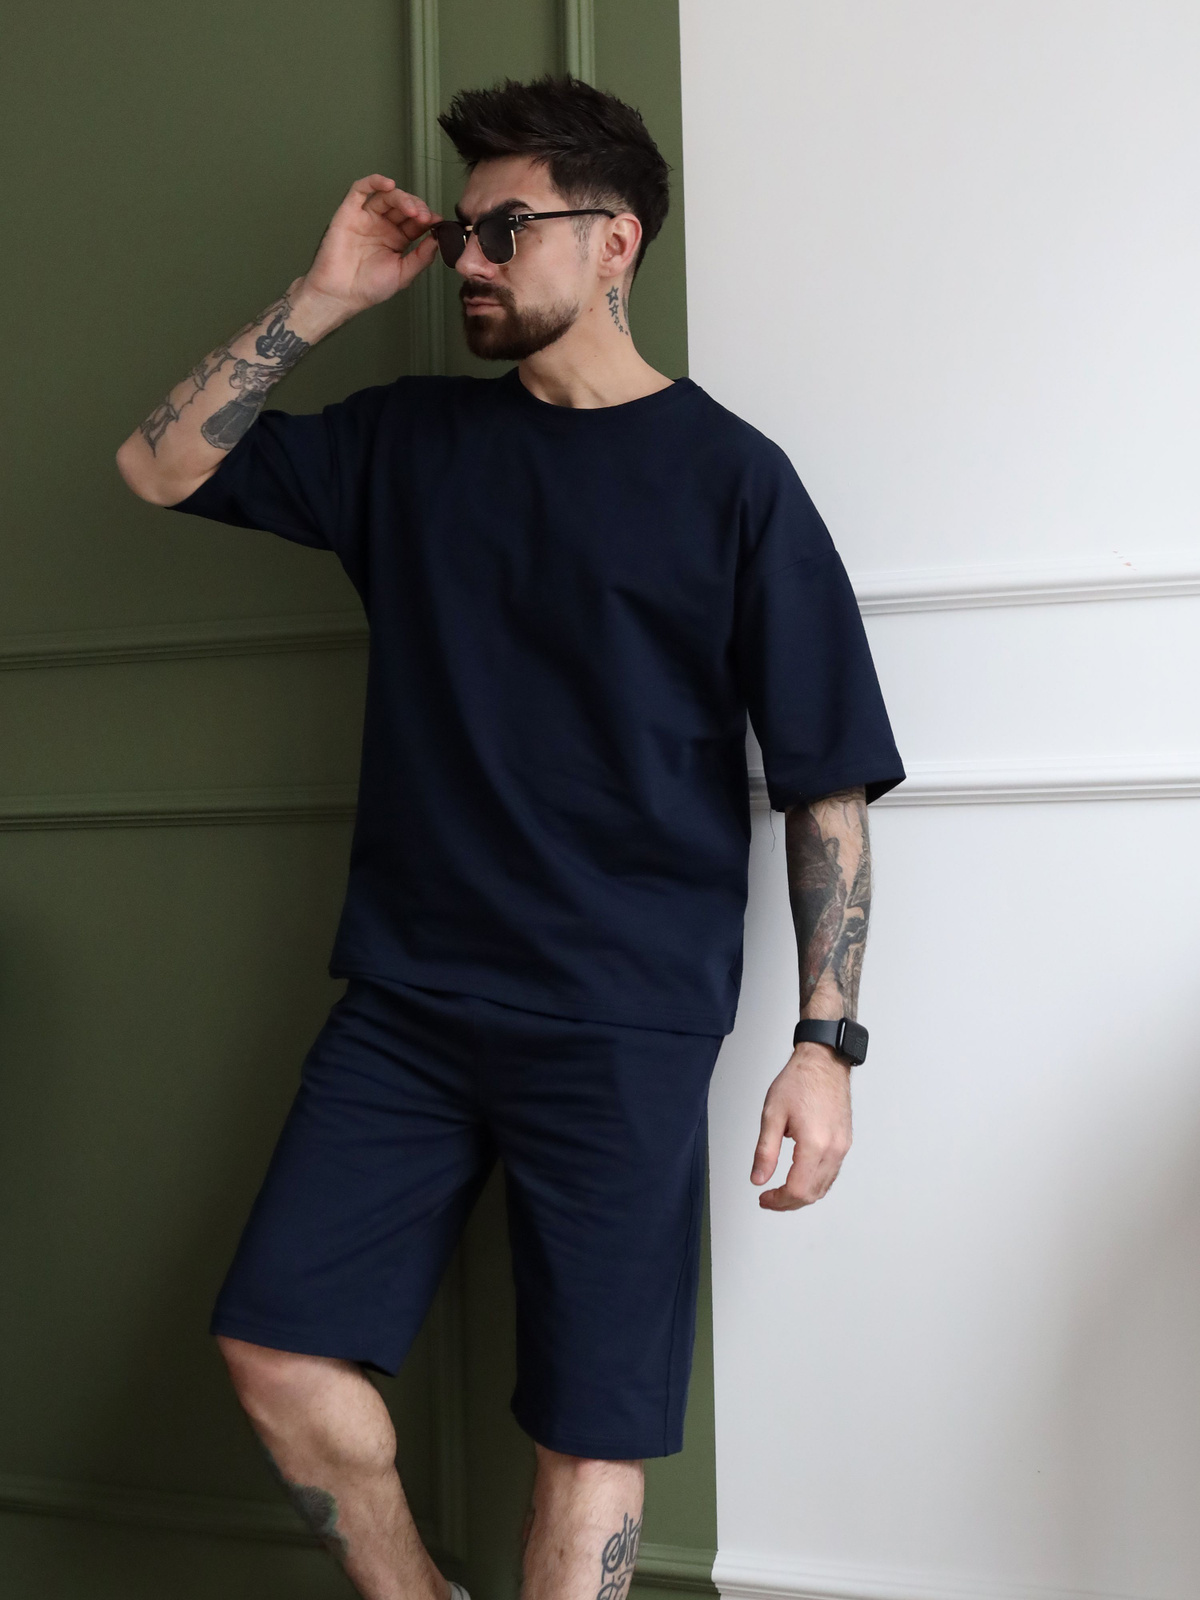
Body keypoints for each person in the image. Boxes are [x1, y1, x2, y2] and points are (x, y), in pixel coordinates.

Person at [116, 72, 903, 1600]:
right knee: (274, 1348)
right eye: (460, 232)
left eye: (504, 229)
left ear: (615, 243)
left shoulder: (737, 482)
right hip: (408, 1001)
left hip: (623, 1017)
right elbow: (160, 466)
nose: (467, 260)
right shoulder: (407, 445)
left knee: (589, 1434)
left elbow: (827, 787)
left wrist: (827, 1045)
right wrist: (323, 296)